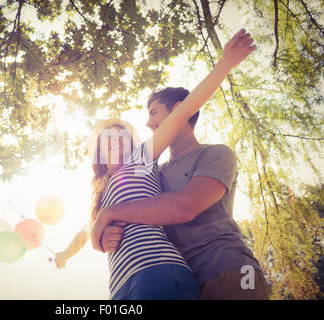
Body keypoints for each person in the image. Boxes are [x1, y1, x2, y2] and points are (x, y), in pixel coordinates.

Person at [59, 29, 258, 300]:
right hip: (123, 285)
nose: (117, 140)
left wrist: (225, 64)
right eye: (108, 138)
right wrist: (80, 245)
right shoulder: (138, 181)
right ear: (98, 151)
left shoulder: (142, 160)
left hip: (200, 268)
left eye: (123, 135)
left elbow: (184, 111)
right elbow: (86, 231)